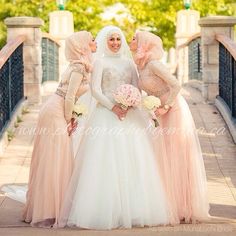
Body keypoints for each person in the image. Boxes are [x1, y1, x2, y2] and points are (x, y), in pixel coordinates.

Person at [58, 26, 170, 230]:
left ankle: (135, 208)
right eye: (112, 39)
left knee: (134, 160)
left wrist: (130, 103)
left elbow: (136, 86)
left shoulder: (129, 62)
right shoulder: (99, 61)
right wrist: (114, 107)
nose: (116, 42)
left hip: (129, 115)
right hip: (106, 114)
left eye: (119, 39)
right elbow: (95, 90)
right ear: (105, 41)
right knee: (104, 161)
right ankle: (102, 209)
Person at [130, 31, 209, 224]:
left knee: (175, 156)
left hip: (173, 110)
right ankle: (168, 204)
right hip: (157, 111)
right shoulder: (141, 66)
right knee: (162, 157)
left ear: (144, 44)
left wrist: (166, 106)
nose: (130, 40)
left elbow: (175, 85)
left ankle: (182, 206)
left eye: (134, 39)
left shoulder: (154, 65)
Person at [22, 31, 97, 227]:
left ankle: (50, 206)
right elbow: (70, 96)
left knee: (54, 157)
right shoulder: (79, 67)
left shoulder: (79, 65)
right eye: (92, 40)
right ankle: (52, 209)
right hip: (56, 112)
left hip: (55, 107)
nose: (95, 43)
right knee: (56, 158)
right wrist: (68, 119)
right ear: (82, 46)